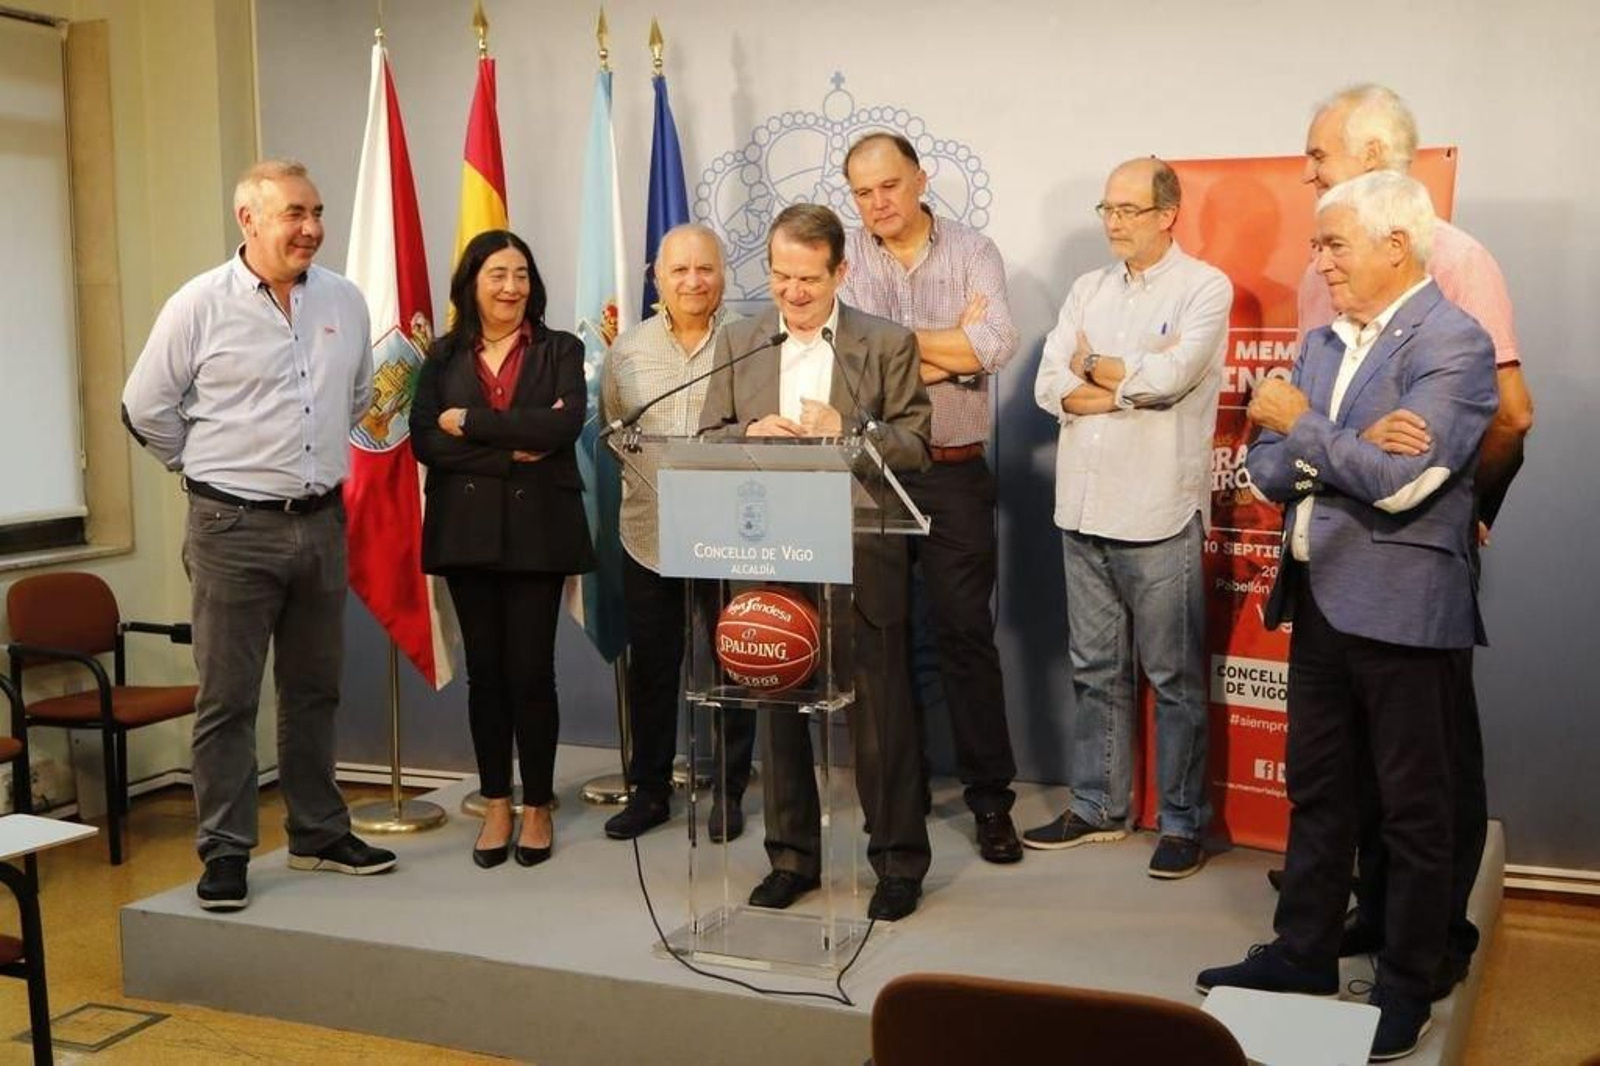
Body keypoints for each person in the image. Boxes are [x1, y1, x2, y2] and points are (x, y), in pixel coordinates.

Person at [1197, 171, 1499, 1062]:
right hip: (1322, 599)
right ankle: (1304, 955)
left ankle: (1406, 983)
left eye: (1334, 243)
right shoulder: (1323, 342)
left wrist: (1307, 429)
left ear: (1394, 246)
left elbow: (1406, 484)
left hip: (1408, 611)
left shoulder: (1456, 343)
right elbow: (1259, 463)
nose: (1317, 259)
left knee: (1413, 811)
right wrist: (1344, 446)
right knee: (1320, 792)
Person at [1292, 84, 1534, 995]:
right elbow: (1285, 439)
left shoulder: (1456, 264)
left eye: (1319, 155)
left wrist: (1465, 506)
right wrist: (1340, 438)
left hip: (1411, 562)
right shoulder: (1330, 275)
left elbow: (1504, 416)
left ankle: (1428, 947)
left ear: (1375, 159)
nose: (1308, 171)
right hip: (1330, 569)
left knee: (1426, 779)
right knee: (1342, 779)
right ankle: (1363, 926)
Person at [122, 159, 396, 911]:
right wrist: (206, 466)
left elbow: (360, 394)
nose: (310, 228)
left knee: (314, 690)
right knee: (228, 699)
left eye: (317, 212)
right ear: (249, 220)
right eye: (293, 215)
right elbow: (144, 407)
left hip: (320, 522)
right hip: (231, 528)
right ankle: (225, 850)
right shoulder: (198, 305)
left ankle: (317, 832)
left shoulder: (343, 298)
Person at [698, 203, 933, 921]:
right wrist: (749, 430)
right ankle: (791, 857)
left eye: (807, 277)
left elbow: (917, 444)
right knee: (776, 707)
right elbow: (708, 432)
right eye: (780, 275)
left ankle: (896, 863)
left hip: (862, 551)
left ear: (840, 271)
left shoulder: (885, 342)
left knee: (880, 717)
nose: (792, 292)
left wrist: (852, 432)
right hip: (769, 549)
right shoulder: (740, 340)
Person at [1026, 158, 1232, 879]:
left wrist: (1101, 372)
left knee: (1175, 679)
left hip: (1159, 512)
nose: (1114, 222)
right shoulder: (1087, 289)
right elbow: (1049, 385)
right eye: (1107, 208)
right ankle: (1097, 807)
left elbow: (1174, 381)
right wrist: (1124, 384)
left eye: (1129, 209)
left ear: (1167, 214)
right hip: (1081, 508)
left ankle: (1181, 823)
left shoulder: (1204, 286)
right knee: (1095, 670)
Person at [838, 133, 1024, 865]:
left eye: (888, 186)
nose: (876, 203)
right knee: (882, 642)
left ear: (919, 179)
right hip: (873, 474)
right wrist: (952, 347)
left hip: (953, 472)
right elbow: (854, 369)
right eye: (861, 192)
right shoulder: (845, 259)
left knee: (964, 637)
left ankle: (990, 803)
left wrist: (898, 348)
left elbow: (997, 346)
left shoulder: (975, 250)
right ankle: (898, 796)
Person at [411, 230, 593, 868]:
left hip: (539, 533)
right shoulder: (441, 356)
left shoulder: (560, 349)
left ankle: (538, 804)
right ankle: (496, 801)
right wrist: (512, 448)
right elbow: (425, 442)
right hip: (466, 534)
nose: (511, 286)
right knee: (485, 674)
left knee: (531, 671)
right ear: (473, 283)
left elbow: (564, 425)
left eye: (521, 274)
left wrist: (475, 424)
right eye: (498, 274)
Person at [599, 223, 758, 843]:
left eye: (706, 269)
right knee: (654, 669)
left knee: (732, 665)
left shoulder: (751, 342)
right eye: (679, 271)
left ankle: (729, 790)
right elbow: (616, 433)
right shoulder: (628, 351)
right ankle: (650, 791)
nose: (693, 281)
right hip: (650, 534)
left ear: (723, 273)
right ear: (656, 279)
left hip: (732, 535)